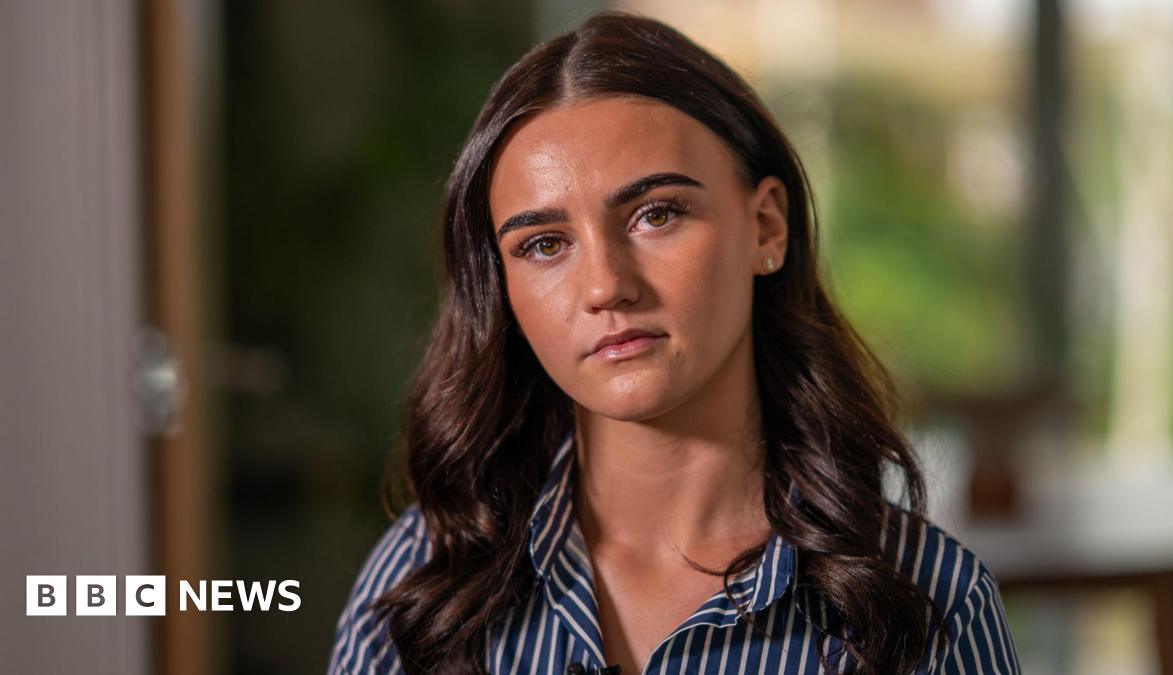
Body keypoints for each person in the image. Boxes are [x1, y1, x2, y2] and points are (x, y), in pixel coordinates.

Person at [326, 11, 1020, 675]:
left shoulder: (926, 599)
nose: (606, 285)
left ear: (767, 226)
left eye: (657, 214)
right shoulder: (425, 582)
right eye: (544, 244)